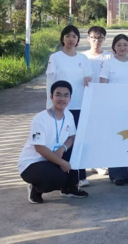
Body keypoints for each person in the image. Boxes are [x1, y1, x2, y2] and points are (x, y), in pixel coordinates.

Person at [18, 81, 88, 203]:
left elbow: (72, 137)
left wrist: (62, 149)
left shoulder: (68, 115)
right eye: (58, 95)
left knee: (79, 148)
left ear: (70, 98)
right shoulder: (40, 119)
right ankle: (36, 188)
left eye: (66, 95)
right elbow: (39, 147)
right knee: (58, 178)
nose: (62, 99)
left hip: (54, 157)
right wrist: (62, 162)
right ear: (51, 97)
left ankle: (69, 189)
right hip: (33, 163)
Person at [46, 25, 92, 187]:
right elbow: (50, 82)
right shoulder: (55, 57)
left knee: (79, 141)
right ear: (62, 38)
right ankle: (62, 176)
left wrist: (88, 81)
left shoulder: (83, 59)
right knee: (62, 141)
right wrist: (50, 104)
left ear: (78, 39)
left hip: (79, 105)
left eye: (74, 36)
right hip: (61, 107)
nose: (71, 39)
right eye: (67, 36)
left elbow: (89, 80)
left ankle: (80, 175)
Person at [99, 34, 128, 186]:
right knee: (115, 140)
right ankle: (116, 174)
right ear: (114, 47)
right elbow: (102, 86)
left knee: (127, 139)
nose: (122, 48)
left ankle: (126, 173)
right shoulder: (108, 63)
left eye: (125, 45)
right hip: (113, 107)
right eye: (119, 45)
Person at [83, 26, 113, 177]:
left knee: (102, 132)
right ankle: (88, 163)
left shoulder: (109, 57)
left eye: (100, 38)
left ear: (104, 39)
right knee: (87, 133)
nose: (96, 41)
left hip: (103, 100)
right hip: (86, 99)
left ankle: (100, 162)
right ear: (88, 38)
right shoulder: (82, 57)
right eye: (94, 38)